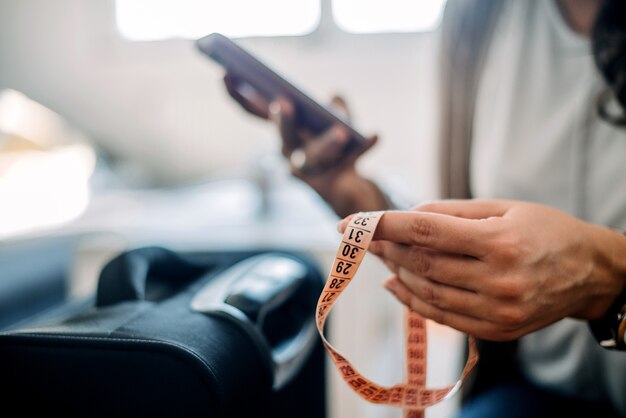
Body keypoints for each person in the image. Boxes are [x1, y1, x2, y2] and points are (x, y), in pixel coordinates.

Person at [223, 0, 626, 416]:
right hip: (529, 387)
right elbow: (458, 230)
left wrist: (608, 273)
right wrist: (355, 195)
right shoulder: (479, 17)